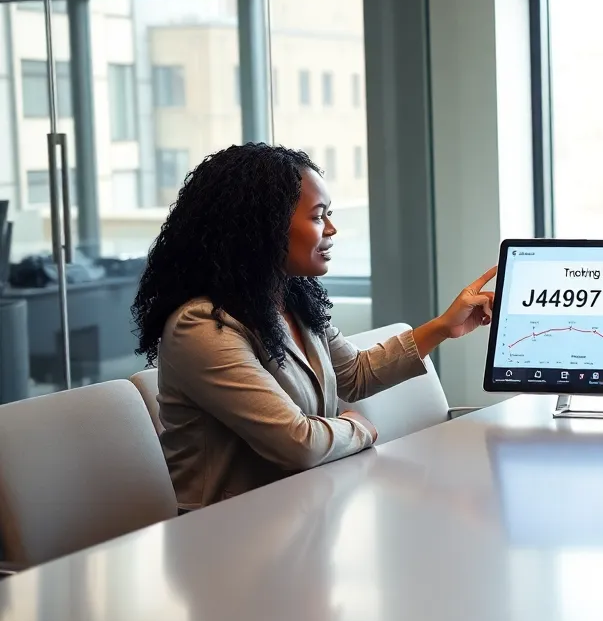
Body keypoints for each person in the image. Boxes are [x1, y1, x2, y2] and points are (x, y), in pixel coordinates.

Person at [133, 144, 496, 510]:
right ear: (265, 225)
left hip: (301, 511)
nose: (333, 229)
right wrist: (360, 428)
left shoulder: (289, 300)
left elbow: (355, 373)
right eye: (319, 216)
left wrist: (442, 327)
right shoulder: (201, 326)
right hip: (226, 536)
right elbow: (299, 443)